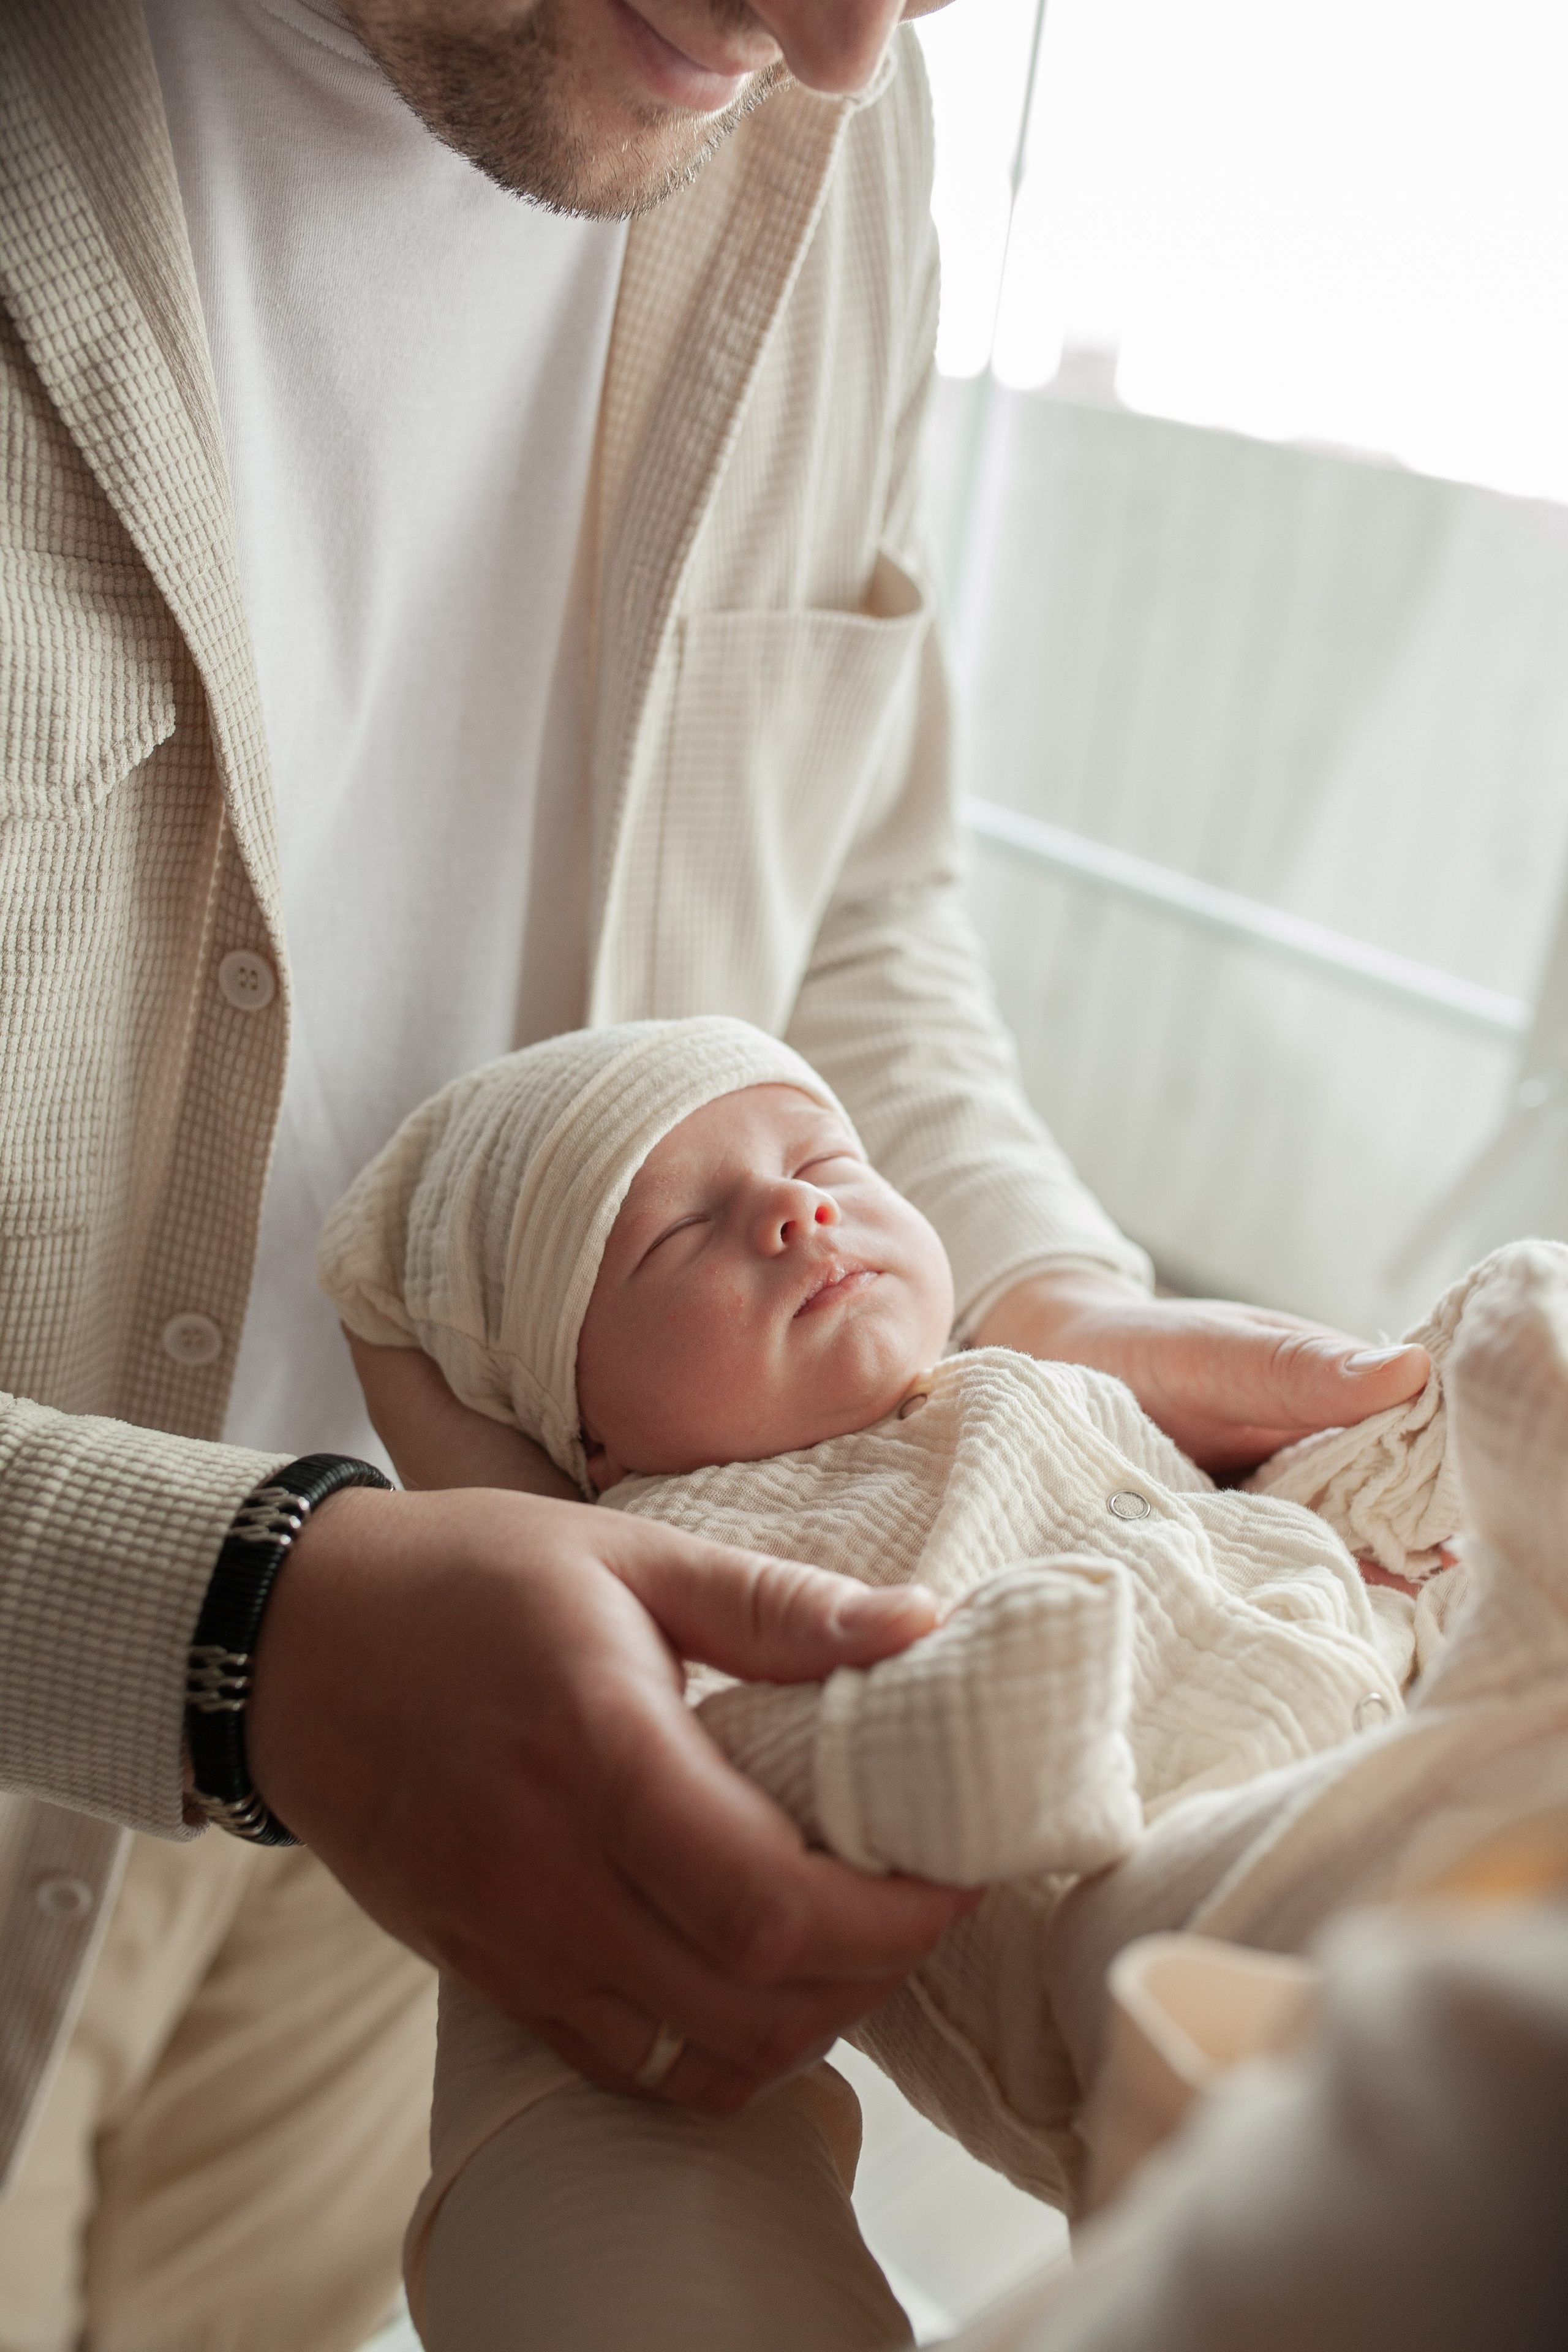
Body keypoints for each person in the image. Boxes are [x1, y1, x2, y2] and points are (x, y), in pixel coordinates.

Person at [0, 2, 1430, 2345]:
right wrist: (245, 1635)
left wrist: (1034, 1301)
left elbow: (853, 888)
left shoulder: (813, 133)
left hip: (520, 1782)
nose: (852, 47)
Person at [312, 1012, 1465, 2349]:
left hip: (1389, 1732)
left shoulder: (1027, 1384)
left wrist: (1391, 1470)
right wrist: (977, 1710)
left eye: (824, 1161)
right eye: (679, 1233)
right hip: (1153, 1924)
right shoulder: (685, 1560)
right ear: (592, 1438)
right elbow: (795, 1761)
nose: (797, 1213)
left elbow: (1251, 1519)